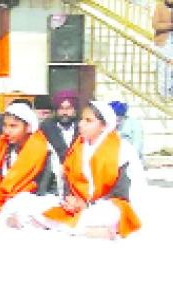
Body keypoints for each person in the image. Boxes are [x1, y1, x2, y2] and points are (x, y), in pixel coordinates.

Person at [38, 101, 144, 239]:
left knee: (108, 213)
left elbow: (122, 192)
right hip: (79, 205)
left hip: (109, 204)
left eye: (88, 121)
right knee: (41, 208)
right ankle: (90, 231)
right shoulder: (77, 147)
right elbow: (68, 179)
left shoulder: (122, 150)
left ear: (104, 125)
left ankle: (78, 228)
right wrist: (70, 200)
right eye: (82, 119)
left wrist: (87, 204)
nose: (81, 124)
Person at [0, 102, 52, 226]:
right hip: (5, 200)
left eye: (13, 126)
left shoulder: (42, 149)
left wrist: (6, 203)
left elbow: (41, 189)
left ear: (28, 127)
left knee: (23, 202)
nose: (7, 131)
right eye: (5, 126)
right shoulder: (4, 148)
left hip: (32, 199)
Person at [109, 100, 144, 165]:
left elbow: (137, 144)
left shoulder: (134, 124)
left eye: (119, 117)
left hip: (131, 161)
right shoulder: (107, 125)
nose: (116, 120)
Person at [153, 0, 173, 97]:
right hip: (163, 42)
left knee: (171, 70)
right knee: (163, 68)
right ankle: (163, 94)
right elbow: (155, 25)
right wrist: (170, 26)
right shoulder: (160, 7)